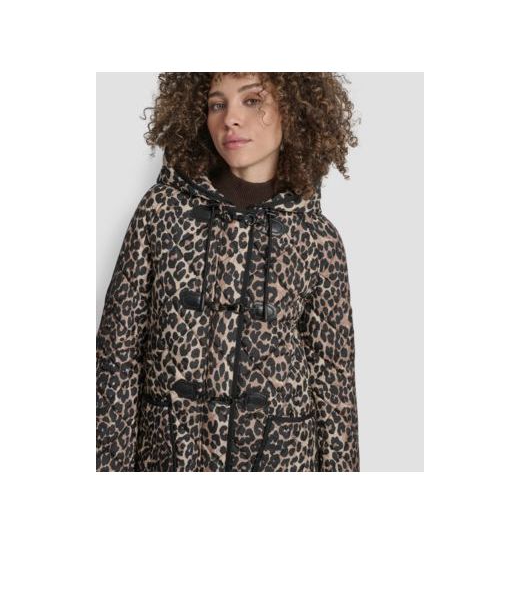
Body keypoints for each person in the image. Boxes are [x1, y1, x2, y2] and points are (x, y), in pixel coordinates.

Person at [96, 72, 360, 472]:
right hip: (170, 458)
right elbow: (117, 357)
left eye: (252, 100)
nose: (230, 118)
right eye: (217, 104)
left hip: (280, 462)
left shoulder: (318, 238)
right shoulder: (160, 212)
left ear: (293, 109)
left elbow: (335, 386)